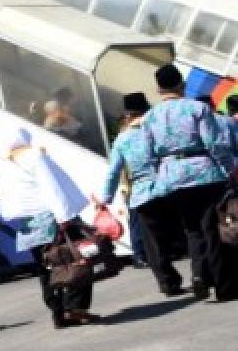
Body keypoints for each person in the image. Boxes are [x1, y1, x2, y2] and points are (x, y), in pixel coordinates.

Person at [144, 64, 236, 301]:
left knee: (192, 229)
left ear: (158, 89)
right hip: (203, 172)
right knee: (211, 228)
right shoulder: (197, 108)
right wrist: (229, 169)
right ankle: (222, 285)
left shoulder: (150, 116)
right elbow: (214, 143)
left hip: (172, 176)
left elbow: (148, 153)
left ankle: (198, 276)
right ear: (181, 85)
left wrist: (158, 177)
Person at [0, 127, 98, 328]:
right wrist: (64, 215)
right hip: (51, 218)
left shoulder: (6, 164)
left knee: (46, 267)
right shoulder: (34, 156)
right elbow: (51, 186)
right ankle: (75, 308)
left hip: (27, 223)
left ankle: (58, 313)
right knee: (76, 258)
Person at [94, 93, 179, 293]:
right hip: (169, 186)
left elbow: (114, 171)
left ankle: (168, 282)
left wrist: (105, 198)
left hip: (141, 193)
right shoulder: (159, 130)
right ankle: (201, 272)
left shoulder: (122, 140)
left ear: (128, 115)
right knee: (179, 233)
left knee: (152, 241)